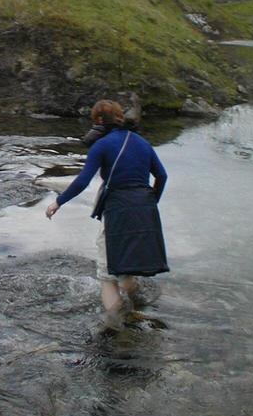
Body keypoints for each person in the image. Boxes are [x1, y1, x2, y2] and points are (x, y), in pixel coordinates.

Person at [45, 99, 169, 330]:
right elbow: (162, 176)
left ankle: (117, 329)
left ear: (100, 121)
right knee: (128, 266)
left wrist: (58, 202)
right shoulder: (142, 142)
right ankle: (137, 302)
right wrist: (151, 202)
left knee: (106, 275)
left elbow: (83, 180)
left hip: (117, 211)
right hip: (145, 209)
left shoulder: (101, 146)